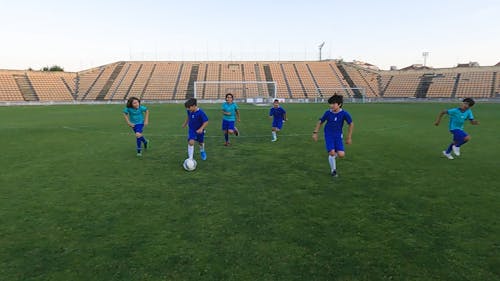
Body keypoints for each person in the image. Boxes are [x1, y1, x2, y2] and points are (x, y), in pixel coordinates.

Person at [312, 94, 354, 177]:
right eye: (330, 104)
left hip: (338, 135)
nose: (331, 105)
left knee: (341, 154)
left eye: (333, 104)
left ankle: (332, 157)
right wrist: (315, 133)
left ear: (339, 104)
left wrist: (349, 137)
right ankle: (333, 170)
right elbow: (320, 121)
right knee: (332, 152)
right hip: (329, 134)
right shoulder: (328, 113)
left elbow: (351, 124)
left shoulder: (344, 114)